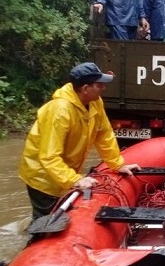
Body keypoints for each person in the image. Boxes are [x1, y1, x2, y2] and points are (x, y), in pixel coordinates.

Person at [18, 62, 141, 220]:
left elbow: (104, 134)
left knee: (63, 216)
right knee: (45, 223)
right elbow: (48, 157)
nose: (103, 88)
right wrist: (74, 179)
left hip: (63, 171)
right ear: (85, 89)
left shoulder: (95, 102)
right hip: (42, 177)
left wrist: (117, 164)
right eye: (99, 84)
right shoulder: (60, 111)